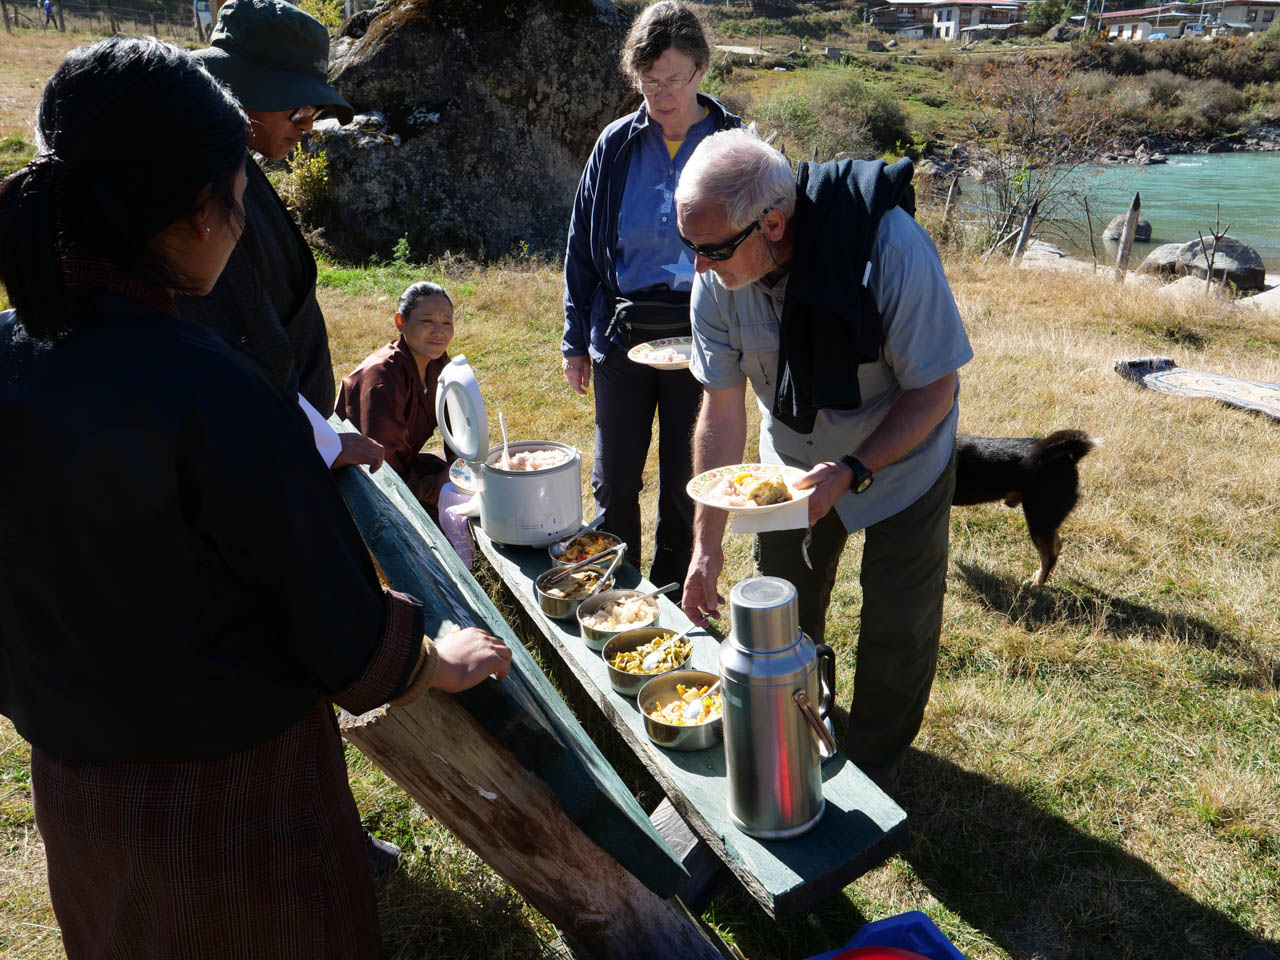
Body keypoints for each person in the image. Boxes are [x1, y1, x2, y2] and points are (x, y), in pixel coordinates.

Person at [0, 38, 511, 957]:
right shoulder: (218, 393)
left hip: (80, 802)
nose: (240, 227)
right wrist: (437, 658)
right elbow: (339, 633)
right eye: (239, 204)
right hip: (237, 806)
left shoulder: (10, 359)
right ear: (201, 214)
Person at [675, 128, 973, 794]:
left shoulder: (892, 252)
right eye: (687, 245)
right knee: (781, 608)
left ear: (772, 224)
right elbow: (722, 413)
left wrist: (850, 472)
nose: (696, 265)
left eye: (712, 249)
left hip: (900, 462)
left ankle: (873, 768)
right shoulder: (716, 276)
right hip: (789, 465)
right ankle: (796, 728)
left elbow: (935, 390)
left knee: (898, 622)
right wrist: (706, 544)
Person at [561, 0, 741, 590]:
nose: (660, 95)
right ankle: (615, 592)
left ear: (701, 71)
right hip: (621, 328)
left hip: (707, 329)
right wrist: (574, 340)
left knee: (685, 479)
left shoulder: (732, 143)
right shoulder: (614, 147)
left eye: (673, 80)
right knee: (614, 476)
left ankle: (669, 596)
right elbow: (582, 247)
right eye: (648, 81)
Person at [180, 0, 384, 473]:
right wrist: (315, 443)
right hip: (271, 459)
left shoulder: (236, 159)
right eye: (299, 110)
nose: (309, 126)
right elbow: (237, 337)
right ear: (247, 90)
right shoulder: (207, 187)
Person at [336, 281, 458, 517]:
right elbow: (383, 465)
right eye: (427, 321)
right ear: (400, 322)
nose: (439, 332)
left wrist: (458, 467)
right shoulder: (382, 376)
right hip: (363, 481)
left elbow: (458, 425)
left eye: (447, 322)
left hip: (403, 466)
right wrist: (437, 490)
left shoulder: (439, 364)